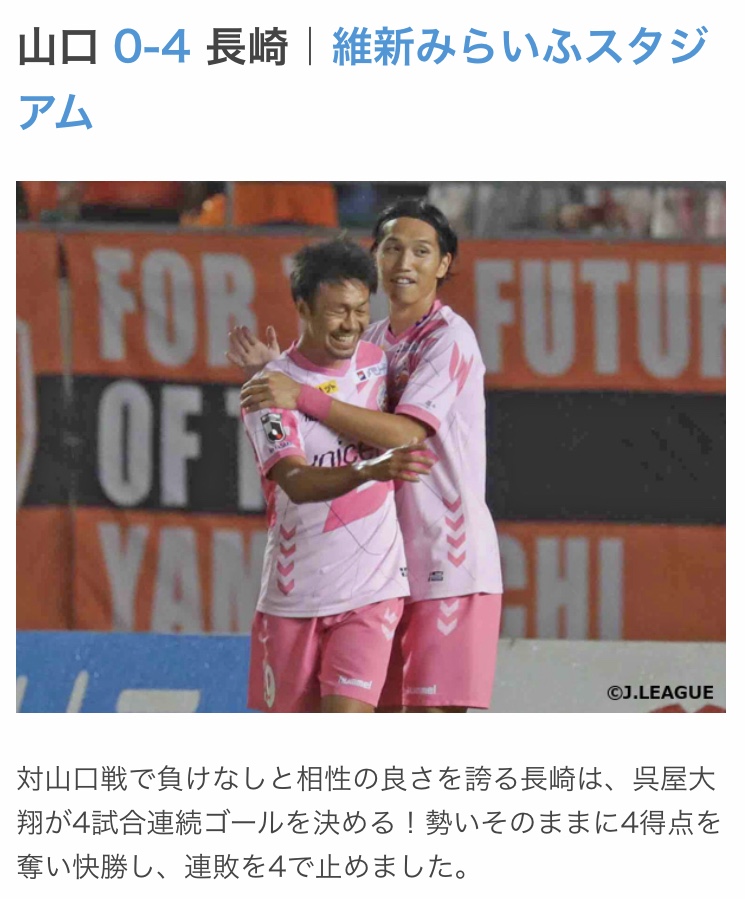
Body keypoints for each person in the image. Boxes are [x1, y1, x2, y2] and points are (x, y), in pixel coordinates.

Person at [233, 198, 503, 712]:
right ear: (375, 256)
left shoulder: (451, 338)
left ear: (443, 264)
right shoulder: (372, 342)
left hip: (447, 557)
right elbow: (319, 377)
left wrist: (299, 394)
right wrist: (277, 372)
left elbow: (405, 435)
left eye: (421, 251)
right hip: (383, 572)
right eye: (393, 248)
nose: (404, 263)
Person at [241, 237, 434, 714]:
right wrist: (370, 468)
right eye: (337, 311)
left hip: (372, 591)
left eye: (360, 310)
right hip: (293, 598)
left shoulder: (377, 363)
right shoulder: (267, 391)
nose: (351, 324)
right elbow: (296, 482)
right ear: (303, 308)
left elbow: (409, 430)